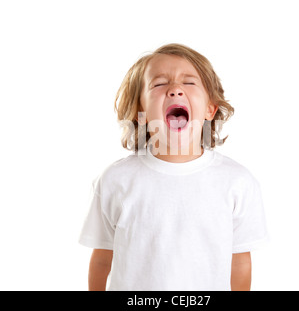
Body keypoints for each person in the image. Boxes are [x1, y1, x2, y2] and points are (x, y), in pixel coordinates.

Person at [79, 43, 269, 291]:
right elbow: (103, 257)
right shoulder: (116, 180)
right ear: (141, 113)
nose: (175, 89)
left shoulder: (237, 182)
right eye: (159, 84)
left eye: (189, 82)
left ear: (210, 109)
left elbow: (240, 261)